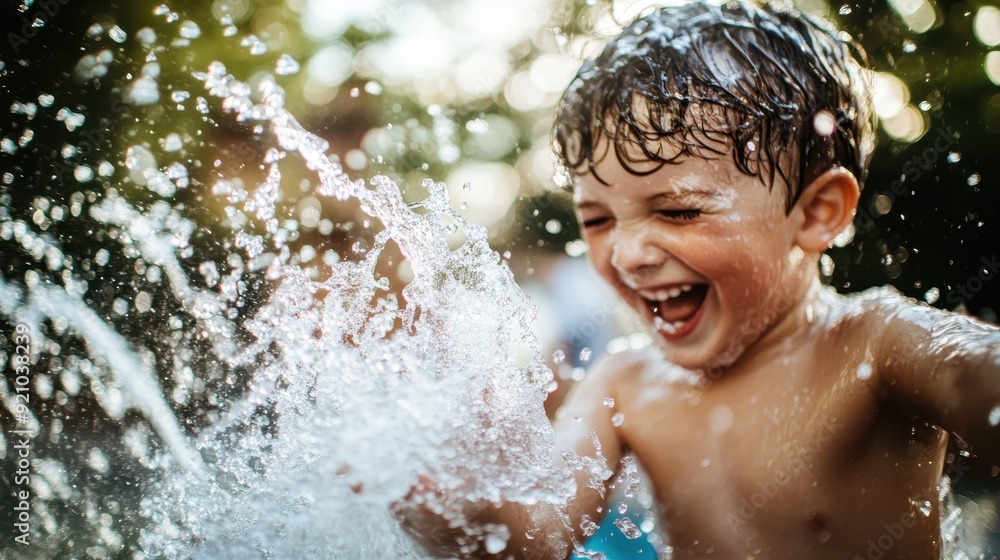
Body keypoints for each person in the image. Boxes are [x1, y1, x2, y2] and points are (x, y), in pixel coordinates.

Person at [396, 2, 1000, 558]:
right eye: (598, 220)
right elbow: (545, 528)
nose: (629, 254)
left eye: (679, 211)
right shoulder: (623, 387)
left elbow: (974, 373)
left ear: (817, 213)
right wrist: (467, 510)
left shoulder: (876, 346)